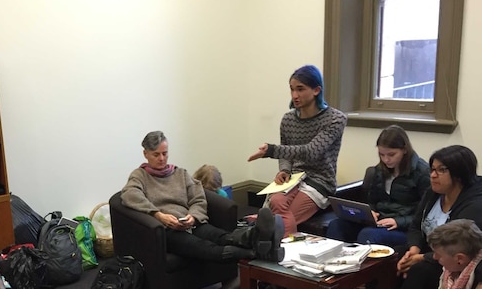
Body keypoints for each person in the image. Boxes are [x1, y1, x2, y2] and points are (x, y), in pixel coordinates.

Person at [122, 131, 284, 263]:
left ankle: (255, 236)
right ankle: (255, 253)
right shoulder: (139, 176)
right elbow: (130, 195)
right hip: (166, 230)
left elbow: (198, 197)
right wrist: (158, 215)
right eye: (156, 155)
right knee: (204, 246)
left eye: (165, 153)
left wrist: (193, 216)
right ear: (145, 154)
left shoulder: (180, 173)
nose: (162, 159)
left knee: (221, 236)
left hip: (190, 223)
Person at [247, 65, 348, 234]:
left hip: (320, 180)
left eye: (300, 89)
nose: (295, 95)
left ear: (316, 90)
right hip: (293, 178)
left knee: (278, 220)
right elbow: (286, 153)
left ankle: (278, 251)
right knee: (277, 201)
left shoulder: (335, 119)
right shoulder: (288, 119)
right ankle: (268, 242)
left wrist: (271, 151)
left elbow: (310, 152)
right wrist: (284, 170)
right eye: (292, 89)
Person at [388, 145, 482, 289]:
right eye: (432, 169)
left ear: (459, 174)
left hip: (455, 260)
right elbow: (416, 225)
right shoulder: (433, 193)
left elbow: (459, 248)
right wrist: (414, 251)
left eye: (441, 170)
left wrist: (422, 258)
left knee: (419, 270)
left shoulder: (474, 204)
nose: (432, 175)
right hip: (428, 251)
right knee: (392, 256)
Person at [326, 125, 430, 246]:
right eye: (382, 155)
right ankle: (332, 263)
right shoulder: (379, 170)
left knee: (368, 234)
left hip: (405, 228)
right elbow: (372, 201)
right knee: (336, 225)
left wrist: (399, 222)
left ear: (405, 150)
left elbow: (427, 212)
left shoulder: (422, 172)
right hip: (380, 221)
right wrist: (371, 212)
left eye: (391, 155)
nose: (386, 160)